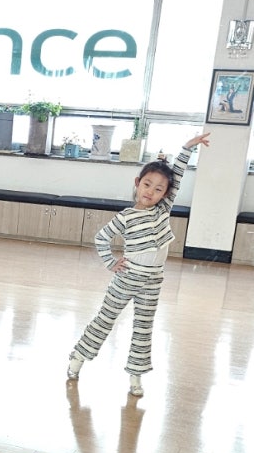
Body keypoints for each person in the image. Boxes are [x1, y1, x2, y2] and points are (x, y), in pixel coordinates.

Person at [66, 132, 210, 397]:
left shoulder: (163, 209)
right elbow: (101, 238)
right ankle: (78, 358)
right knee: (105, 320)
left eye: (159, 189)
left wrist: (187, 147)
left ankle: (136, 376)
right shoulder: (126, 217)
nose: (151, 192)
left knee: (143, 328)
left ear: (166, 194)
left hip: (153, 282)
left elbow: (177, 175)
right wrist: (111, 263)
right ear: (138, 183)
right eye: (147, 185)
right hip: (126, 279)